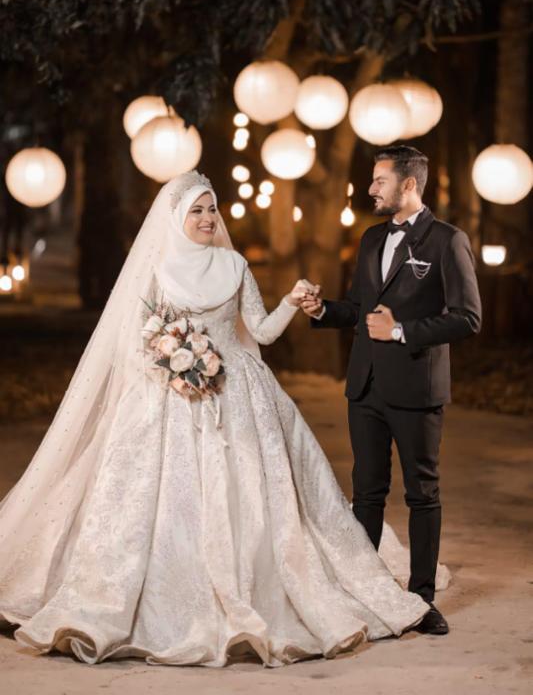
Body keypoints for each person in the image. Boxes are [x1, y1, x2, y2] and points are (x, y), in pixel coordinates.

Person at [0, 169, 432, 667]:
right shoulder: (157, 270)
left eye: (212, 209)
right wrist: (171, 362)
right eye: (197, 211)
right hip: (167, 398)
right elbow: (135, 341)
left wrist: (291, 303)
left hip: (240, 392)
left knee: (259, 495)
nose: (208, 218)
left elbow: (262, 333)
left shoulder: (235, 264)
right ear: (176, 219)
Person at [302, 145, 482, 636]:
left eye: (379, 180)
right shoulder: (370, 238)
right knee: (366, 493)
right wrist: (323, 310)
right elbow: (361, 309)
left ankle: (421, 601)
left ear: (408, 184)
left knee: (422, 493)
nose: (371, 188)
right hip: (365, 386)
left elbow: (468, 318)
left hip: (417, 387)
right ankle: (367, 594)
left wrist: (402, 331)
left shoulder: (447, 241)